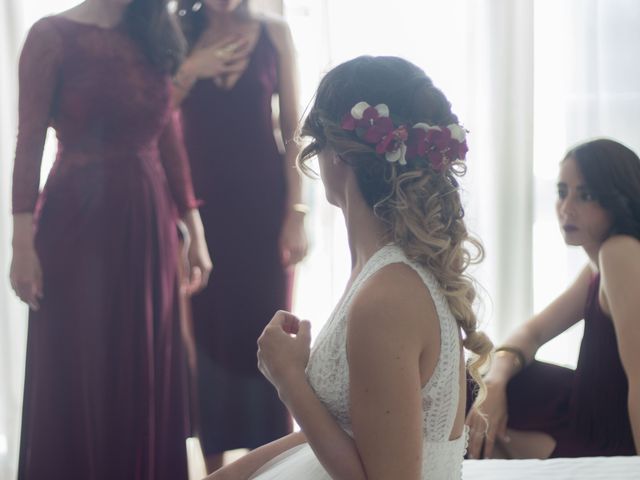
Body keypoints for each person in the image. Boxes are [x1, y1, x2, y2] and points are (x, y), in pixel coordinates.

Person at [204, 55, 493, 480]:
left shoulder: (389, 296)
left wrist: (289, 382)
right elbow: (349, 430)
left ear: (336, 154)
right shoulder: (379, 272)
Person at [9, 0, 212, 478]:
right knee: (80, 364)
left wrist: (193, 228)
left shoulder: (154, 29)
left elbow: (169, 136)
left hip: (147, 222)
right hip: (74, 225)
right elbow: (29, 140)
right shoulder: (51, 35)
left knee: (141, 364)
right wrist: (21, 244)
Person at [171, 0, 307, 471]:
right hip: (199, 213)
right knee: (207, 336)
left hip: (264, 207)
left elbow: (293, 129)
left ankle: (268, 467)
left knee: (266, 331)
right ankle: (212, 471)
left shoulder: (275, 33)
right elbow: (150, 115)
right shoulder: (174, 31)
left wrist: (297, 212)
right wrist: (190, 69)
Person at [466, 138, 640, 459]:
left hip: (606, 432)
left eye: (585, 195)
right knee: (473, 383)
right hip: (582, 411)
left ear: (617, 198)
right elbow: (532, 333)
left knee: (465, 399)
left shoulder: (620, 252)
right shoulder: (598, 264)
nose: (566, 208)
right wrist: (497, 381)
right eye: (562, 192)